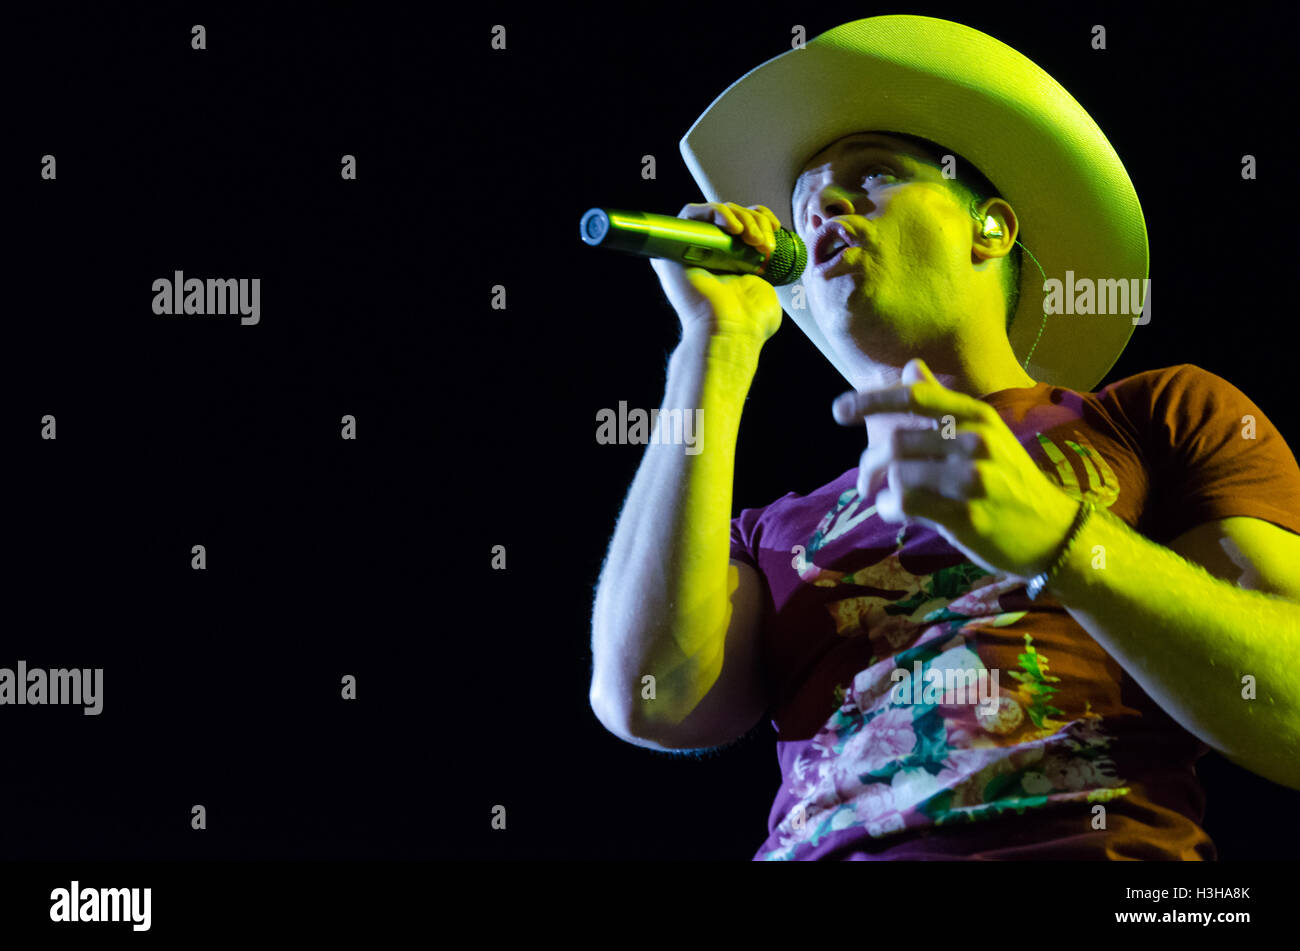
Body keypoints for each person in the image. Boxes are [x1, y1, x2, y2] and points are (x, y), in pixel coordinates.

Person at [588, 16, 1300, 860]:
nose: (827, 207)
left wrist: (1064, 543)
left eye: (874, 175)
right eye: (808, 203)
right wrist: (714, 344)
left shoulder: (1155, 416)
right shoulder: (767, 529)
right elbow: (648, 697)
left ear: (989, 228)